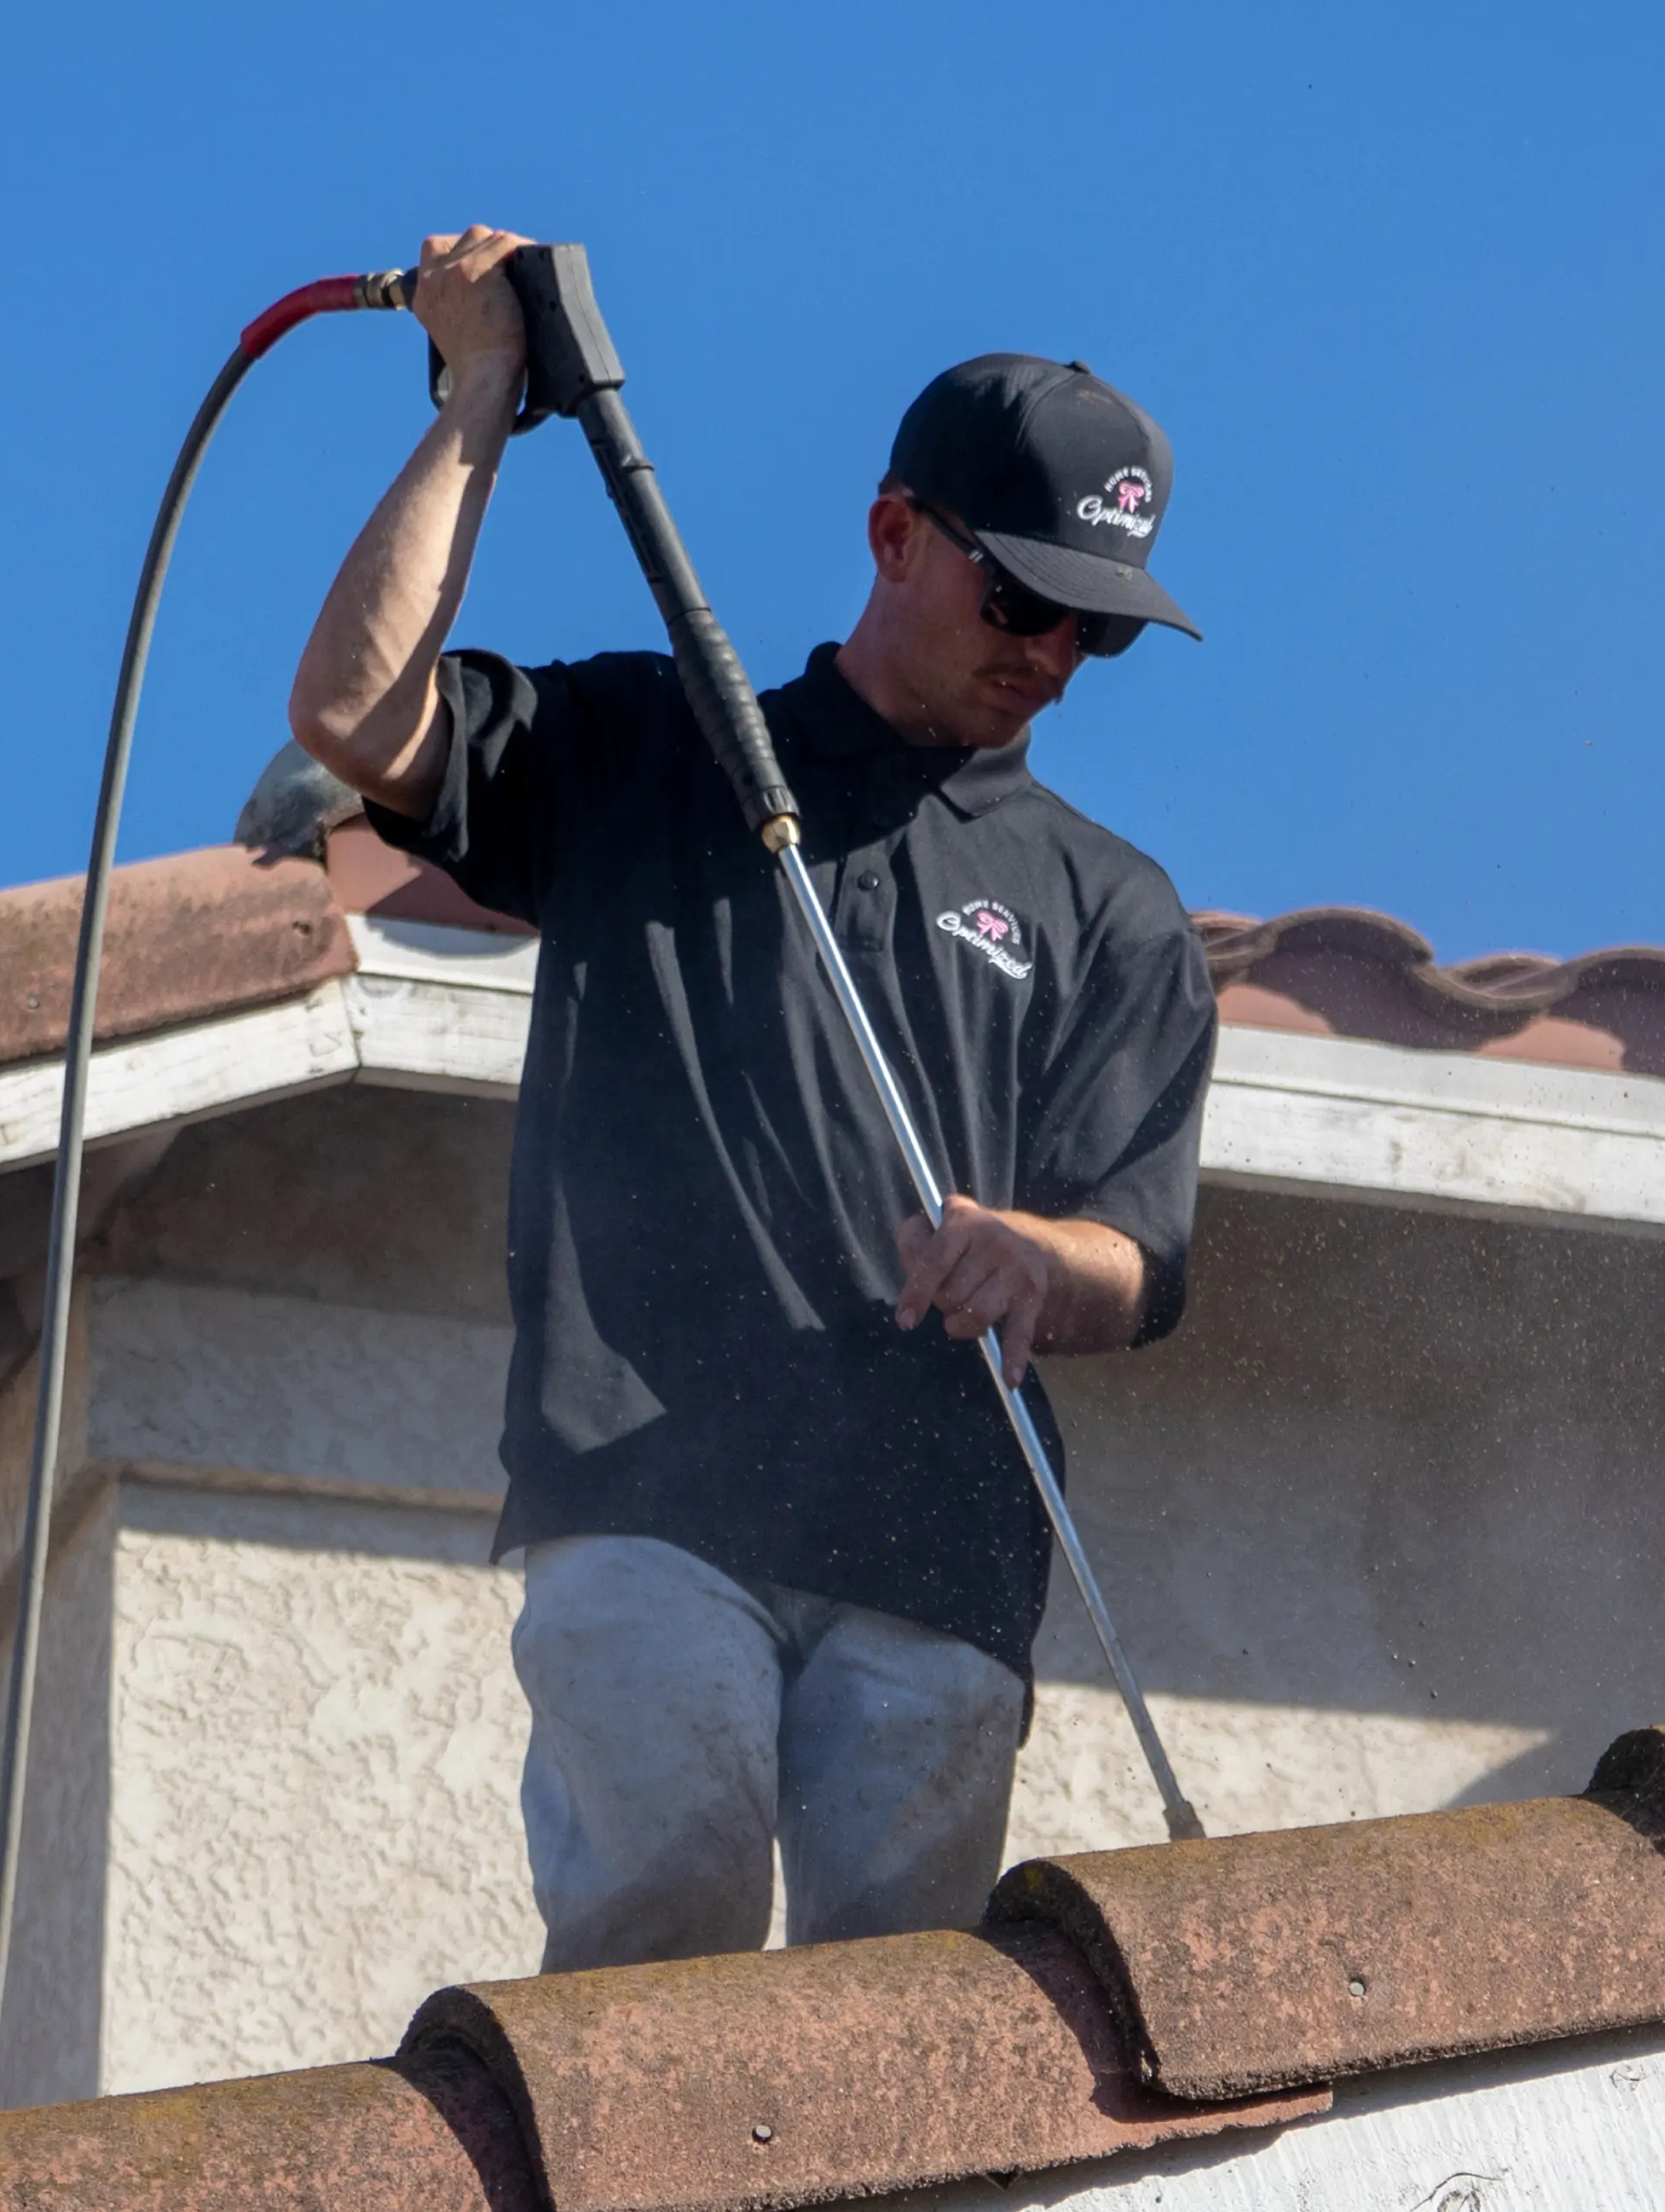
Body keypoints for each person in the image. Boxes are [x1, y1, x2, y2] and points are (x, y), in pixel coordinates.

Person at [283, 224, 1219, 1972]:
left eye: (1095, 631)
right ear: (894, 535)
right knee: (673, 1887)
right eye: (1020, 597)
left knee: (896, 2010)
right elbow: (352, 709)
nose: (1051, 655)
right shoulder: (653, 752)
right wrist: (481, 396)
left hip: (939, 1535)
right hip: (649, 1485)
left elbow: (1137, 1253)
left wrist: (1034, 1255)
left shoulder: (1116, 912)